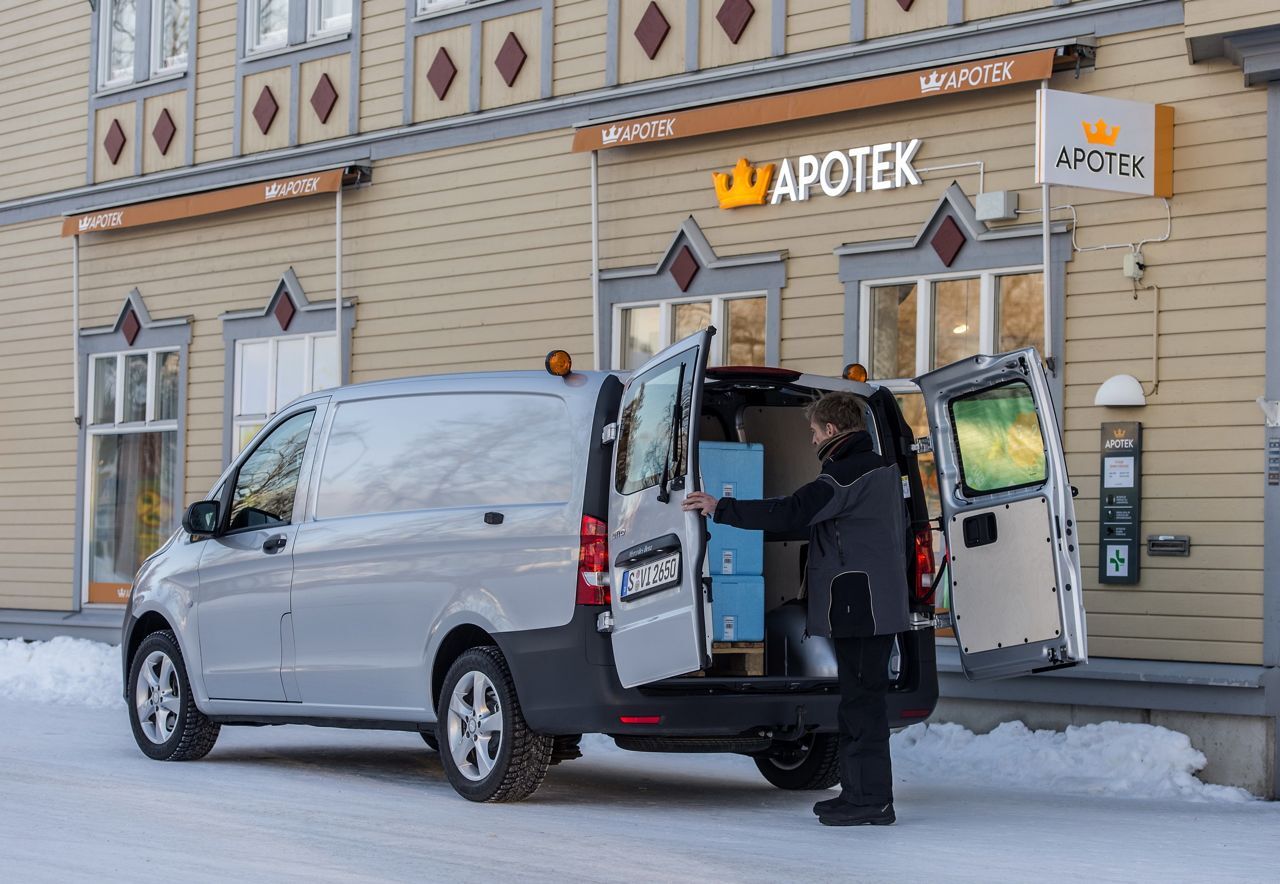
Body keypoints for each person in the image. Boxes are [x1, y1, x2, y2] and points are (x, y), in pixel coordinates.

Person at [682, 391, 909, 827]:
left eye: (813, 431)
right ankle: (859, 794)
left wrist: (720, 507)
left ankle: (872, 801)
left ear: (831, 429)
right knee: (858, 703)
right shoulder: (877, 466)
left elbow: (792, 512)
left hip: (862, 604)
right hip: (870, 602)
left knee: (862, 705)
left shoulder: (847, 473)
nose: (812, 439)